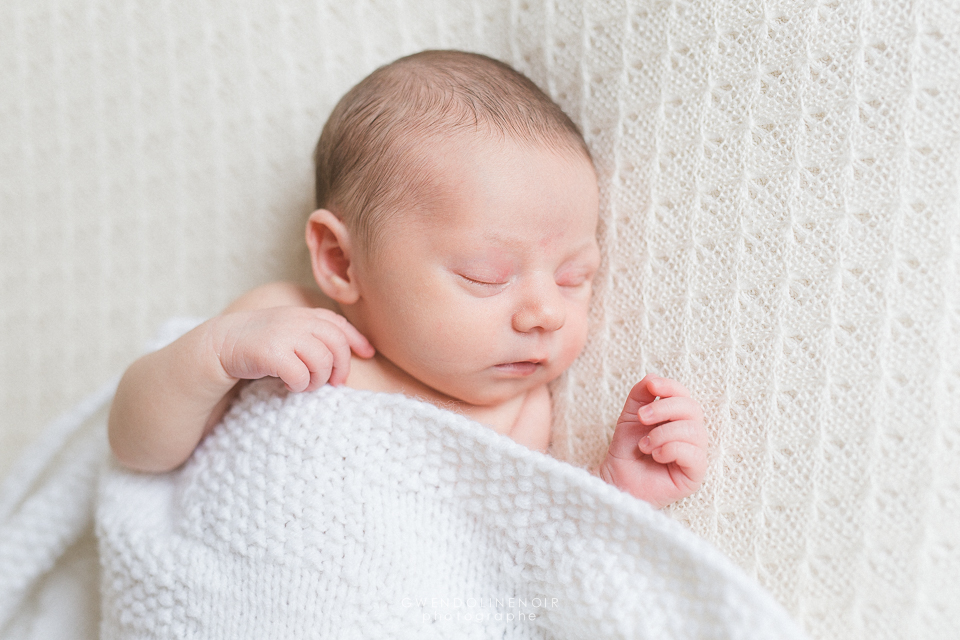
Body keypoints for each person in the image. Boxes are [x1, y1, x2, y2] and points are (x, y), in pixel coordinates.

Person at [107, 50, 708, 509]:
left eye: (575, 277)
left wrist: (620, 487)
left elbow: (522, 559)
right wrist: (214, 355)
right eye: (486, 276)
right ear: (341, 263)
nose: (545, 313)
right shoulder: (278, 323)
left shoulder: (522, 415)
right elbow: (137, 448)